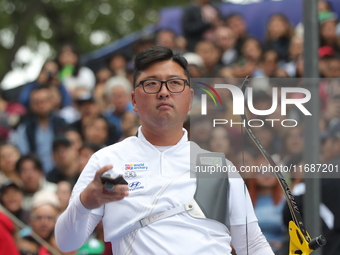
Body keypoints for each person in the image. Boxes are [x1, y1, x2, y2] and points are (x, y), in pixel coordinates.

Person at [55, 45, 274, 254]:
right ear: (134, 100)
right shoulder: (108, 161)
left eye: (174, 83)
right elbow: (66, 243)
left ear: (189, 99)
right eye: (151, 84)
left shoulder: (217, 166)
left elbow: (253, 245)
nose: (163, 92)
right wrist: (85, 203)